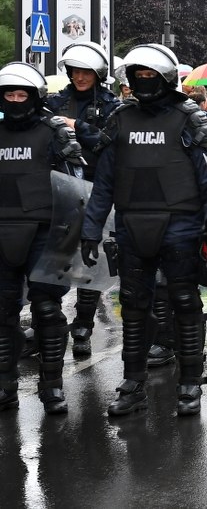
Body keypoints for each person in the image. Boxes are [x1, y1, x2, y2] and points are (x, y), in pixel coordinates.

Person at [80, 43, 207, 417]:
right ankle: (132, 383)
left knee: (185, 303)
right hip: (131, 225)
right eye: (137, 76)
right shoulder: (121, 119)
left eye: (149, 75)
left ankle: (189, 383)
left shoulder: (188, 117)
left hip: (180, 225)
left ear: (166, 77)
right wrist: (90, 229)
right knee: (135, 307)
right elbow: (105, 182)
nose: (143, 82)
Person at [0, 62, 84, 415]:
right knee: (2, 315)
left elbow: (76, 184)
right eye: (10, 94)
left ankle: (52, 387)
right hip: (2, 231)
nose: (17, 100)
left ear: (35, 98)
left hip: (44, 233)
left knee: (48, 312)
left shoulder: (54, 133)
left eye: (23, 95)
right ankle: (5, 386)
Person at [46, 42, 121, 357]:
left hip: (96, 190)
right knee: (55, 258)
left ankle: (84, 325)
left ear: (97, 73)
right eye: (75, 70)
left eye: (85, 71)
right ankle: (49, 322)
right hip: (59, 191)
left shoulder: (111, 106)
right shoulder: (54, 102)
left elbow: (113, 144)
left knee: (92, 258)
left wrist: (80, 127)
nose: (79, 77)